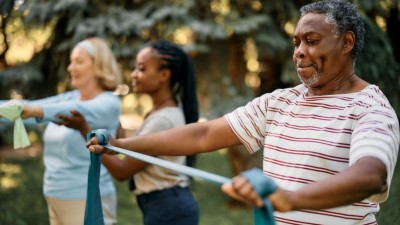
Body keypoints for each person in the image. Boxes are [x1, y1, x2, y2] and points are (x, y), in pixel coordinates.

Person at [86, 0, 399, 224]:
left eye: (312, 41)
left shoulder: (369, 108)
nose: (299, 51)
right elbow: (203, 134)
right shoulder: (279, 102)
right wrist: (122, 144)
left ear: (346, 43)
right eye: (296, 42)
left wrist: (290, 199)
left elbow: (370, 176)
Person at [60, 40, 200, 225]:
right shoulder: (159, 111)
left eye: (141, 69)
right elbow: (135, 153)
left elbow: (122, 171)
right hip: (166, 204)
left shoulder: (163, 120)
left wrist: (83, 129)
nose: (134, 74)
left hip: (168, 209)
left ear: (164, 75)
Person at [1, 37, 122, 225]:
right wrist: (11, 109)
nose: (70, 67)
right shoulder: (72, 97)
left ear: (99, 66)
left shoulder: (109, 102)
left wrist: (34, 110)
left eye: (79, 61)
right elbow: (30, 108)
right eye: (71, 61)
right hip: (55, 195)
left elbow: (67, 111)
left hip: (86, 197)